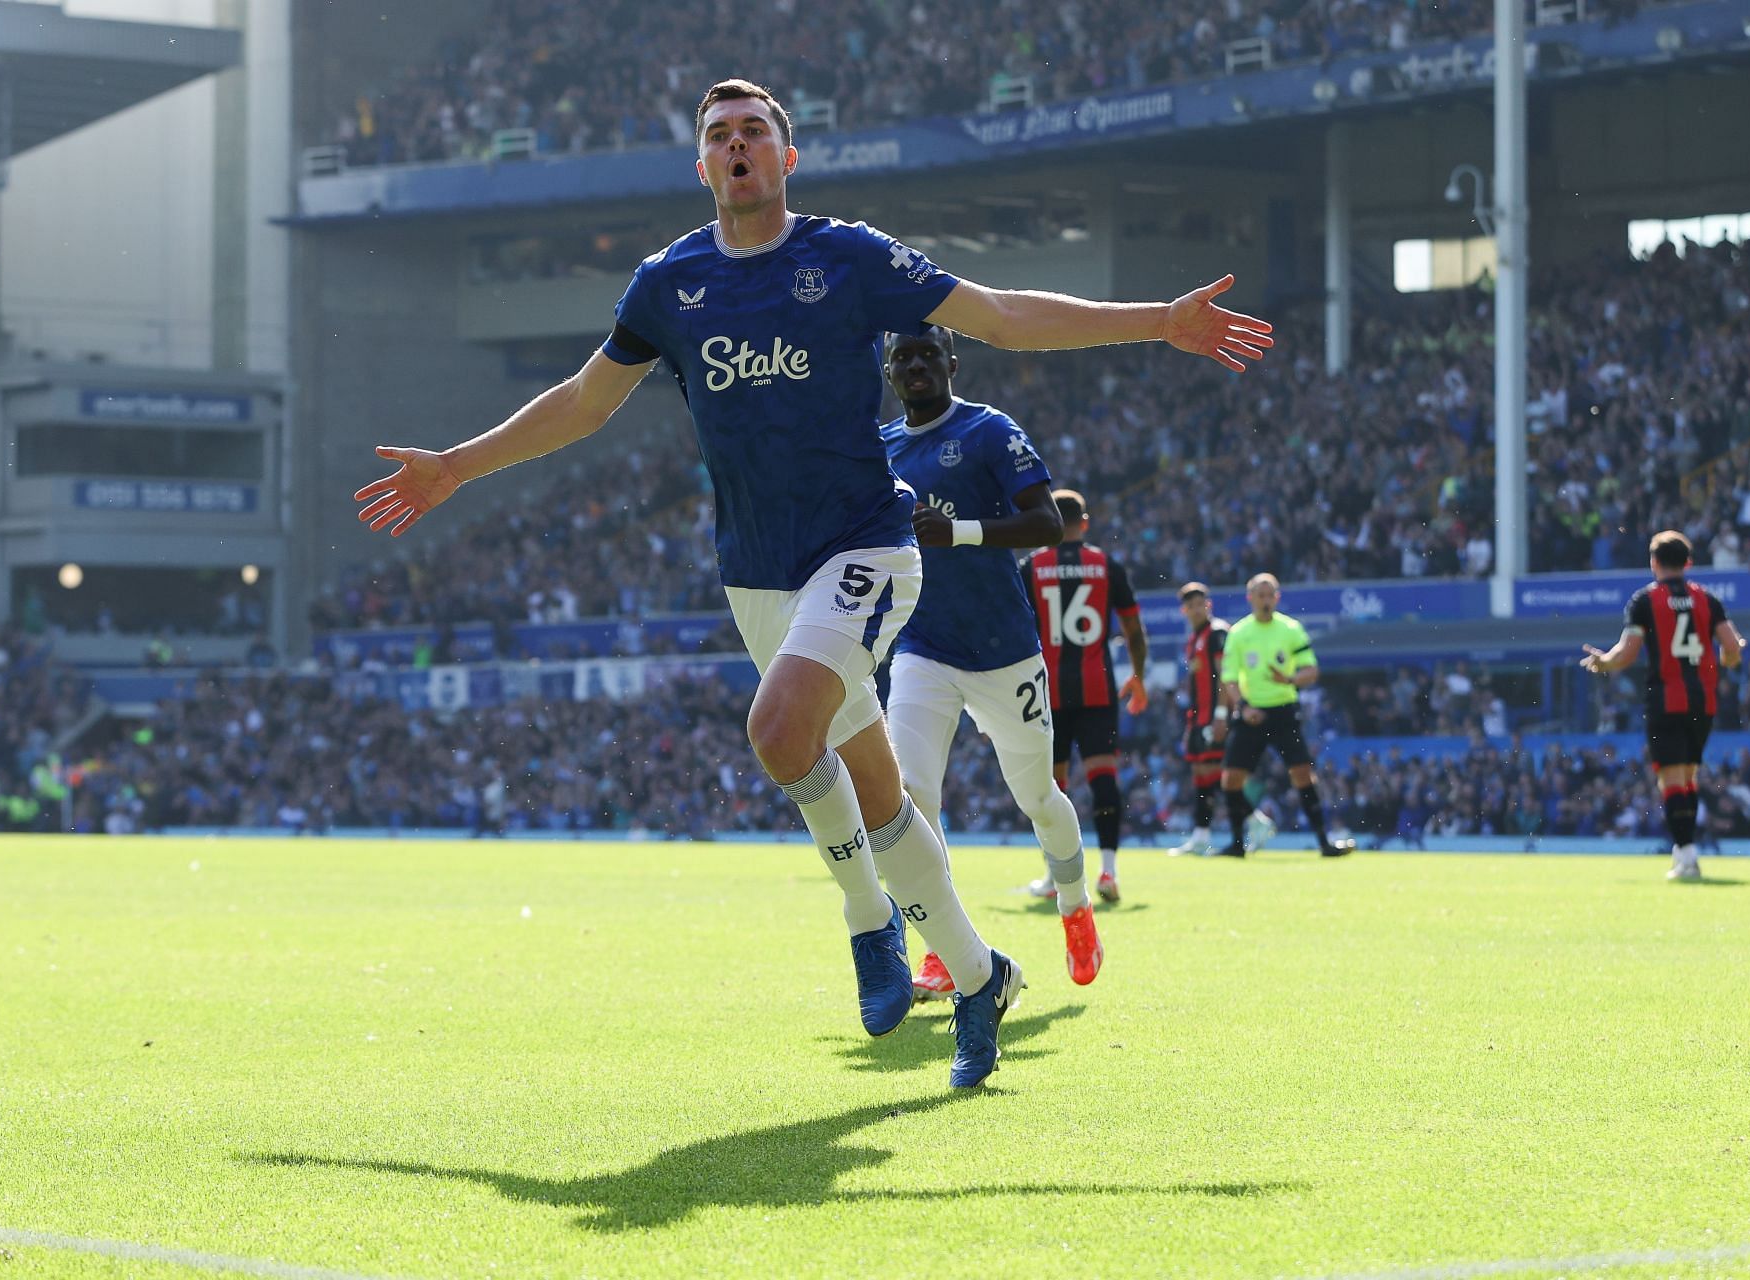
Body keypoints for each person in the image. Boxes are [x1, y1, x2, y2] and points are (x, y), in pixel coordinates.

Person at [352, 79, 1273, 1087]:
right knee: (880, 797)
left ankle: (867, 923)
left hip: (867, 545)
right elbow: (582, 402)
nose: (737, 145)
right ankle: (979, 975)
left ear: (788, 158)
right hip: (756, 572)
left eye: (755, 131)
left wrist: (1157, 320)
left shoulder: (849, 255)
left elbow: (1003, 317)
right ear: (700, 165)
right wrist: (456, 464)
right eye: (718, 135)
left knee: (778, 727)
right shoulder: (669, 282)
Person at [877, 325, 1102, 1000]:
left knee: (1039, 798)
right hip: (922, 647)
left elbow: (1046, 525)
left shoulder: (989, 430)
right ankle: (948, 950)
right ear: (889, 371)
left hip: (1004, 651)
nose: (916, 364)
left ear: (952, 361)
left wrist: (960, 532)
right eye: (902, 356)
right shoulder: (877, 449)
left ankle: (1075, 907)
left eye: (927, 354)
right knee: (910, 797)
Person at [1581, 530, 1746, 881]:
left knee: (1671, 778)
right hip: (1704, 700)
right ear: (1687, 563)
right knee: (1688, 776)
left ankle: (1686, 856)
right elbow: (1732, 645)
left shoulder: (1645, 601)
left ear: (1654, 562)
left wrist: (1602, 663)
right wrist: (1729, 659)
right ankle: (1685, 850)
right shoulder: (1708, 599)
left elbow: (1625, 654)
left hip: (1666, 700)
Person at [1024, 490, 1149, 902]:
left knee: (1050, 787)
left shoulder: (1032, 567)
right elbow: (1132, 629)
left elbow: (1016, 634)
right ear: (1086, 522)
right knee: (1103, 778)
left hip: (1049, 693)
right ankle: (1109, 871)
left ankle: (1054, 877)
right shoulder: (1106, 565)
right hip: (1097, 691)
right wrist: (1138, 676)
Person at [1217, 573, 1354, 858]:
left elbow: (1311, 671)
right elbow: (1229, 678)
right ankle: (1237, 844)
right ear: (1250, 598)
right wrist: (1243, 707)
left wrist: (1289, 679)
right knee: (1230, 779)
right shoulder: (1239, 633)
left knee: (1302, 774)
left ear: (1277, 598)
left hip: (1283, 711)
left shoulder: (1291, 630)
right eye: (1260, 595)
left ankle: (1323, 842)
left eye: (1270, 595)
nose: (1265, 600)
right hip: (1251, 712)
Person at [1168, 582, 1229, 857]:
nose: (1195, 609)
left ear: (1208, 605)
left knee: (1216, 774)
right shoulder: (1193, 640)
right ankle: (1201, 835)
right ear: (1184, 610)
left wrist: (1221, 714)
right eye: (1190, 605)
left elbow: (1225, 677)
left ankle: (1255, 821)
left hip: (1214, 716)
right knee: (1200, 775)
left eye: (1199, 604)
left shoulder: (1217, 634)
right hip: (1198, 718)